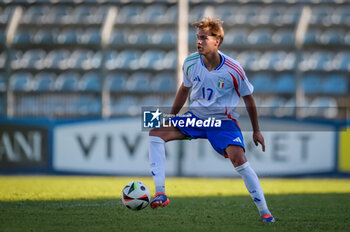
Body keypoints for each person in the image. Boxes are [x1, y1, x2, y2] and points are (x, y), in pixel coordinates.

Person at [148, 18, 275, 222]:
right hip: (196, 118)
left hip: (222, 122)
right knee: (155, 132)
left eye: (204, 38)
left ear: (217, 41)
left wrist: (256, 130)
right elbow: (184, 90)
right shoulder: (190, 63)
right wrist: (172, 116)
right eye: (198, 38)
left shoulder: (233, 69)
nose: (198, 42)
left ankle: (265, 211)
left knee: (239, 160)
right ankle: (161, 193)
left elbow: (248, 98)